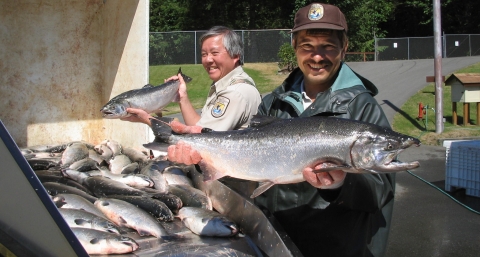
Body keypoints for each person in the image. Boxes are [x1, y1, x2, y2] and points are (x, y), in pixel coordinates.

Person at [167, 3, 394, 257]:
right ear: (295, 47)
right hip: (275, 242)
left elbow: (381, 191)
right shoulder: (272, 103)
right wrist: (203, 151)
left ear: (344, 48)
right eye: (307, 46)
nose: (317, 56)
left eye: (328, 46)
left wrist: (340, 183)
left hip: (334, 248)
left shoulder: (363, 109)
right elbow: (246, 168)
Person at [121, 26, 261, 132]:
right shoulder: (233, 83)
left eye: (214, 53)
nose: (208, 60)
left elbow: (201, 140)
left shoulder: (234, 93)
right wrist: (182, 97)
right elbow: (199, 127)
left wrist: (148, 119)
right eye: (204, 54)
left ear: (235, 56)